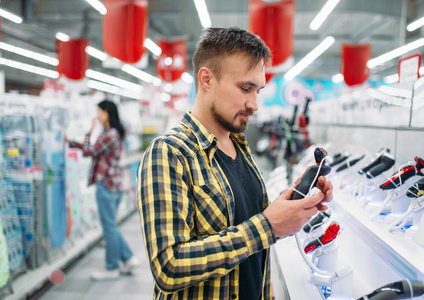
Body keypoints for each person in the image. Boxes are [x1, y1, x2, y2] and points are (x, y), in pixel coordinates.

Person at [137, 27, 333, 299]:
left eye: (258, 90)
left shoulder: (239, 146)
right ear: (206, 79)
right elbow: (169, 267)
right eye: (245, 88)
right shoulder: (169, 153)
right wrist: (267, 226)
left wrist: (290, 211)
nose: (254, 104)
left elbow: (247, 230)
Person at [65, 99, 139, 281]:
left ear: (106, 113)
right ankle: (128, 258)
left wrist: (87, 134)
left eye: (99, 112)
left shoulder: (110, 134)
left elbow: (90, 151)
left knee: (109, 228)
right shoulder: (113, 132)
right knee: (111, 226)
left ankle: (112, 267)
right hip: (114, 185)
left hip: (106, 185)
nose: (97, 115)